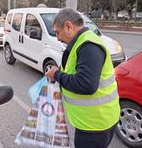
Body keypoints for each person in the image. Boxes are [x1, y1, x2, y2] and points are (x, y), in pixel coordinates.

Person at [46, 8, 120, 148]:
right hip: (95, 121)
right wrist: (58, 73)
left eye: (57, 32)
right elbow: (75, 71)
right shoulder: (80, 43)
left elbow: (86, 85)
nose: (57, 37)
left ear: (68, 26)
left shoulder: (88, 46)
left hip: (94, 126)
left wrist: (56, 74)